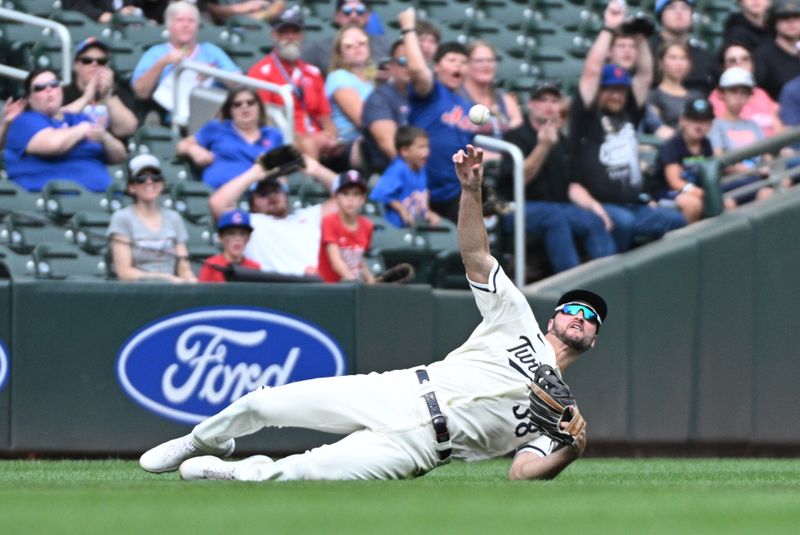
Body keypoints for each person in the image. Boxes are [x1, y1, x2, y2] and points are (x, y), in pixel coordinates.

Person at [138, 143, 600, 482]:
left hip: (417, 449)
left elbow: (521, 474)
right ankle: (201, 439)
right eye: (572, 308)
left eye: (590, 317)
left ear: (593, 338)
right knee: (263, 402)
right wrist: (471, 191)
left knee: (293, 475)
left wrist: (570, 452)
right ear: (553, 318)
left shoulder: (565, 415)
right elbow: (476, 257)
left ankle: (234, 473)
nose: (580, 316)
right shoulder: (515, 319)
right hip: (399, 391)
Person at [570, 2, 686, 252]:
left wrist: (640, 37)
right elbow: (591, 71)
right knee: (623, 223)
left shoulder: (629, 113)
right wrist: (609, 28)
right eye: (609, 89)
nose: (615, 95)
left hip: (634, 205)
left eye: (620, 90)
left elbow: (645, 74)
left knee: (677, 220)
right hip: (599, 204)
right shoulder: (586, 116)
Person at [498, 81, 617, 274]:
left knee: (592, 220)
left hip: (556, 206)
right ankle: (573, 287)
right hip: (516, 207)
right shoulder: (516, 136)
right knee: (554, 217)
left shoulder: (562, 139)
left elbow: (571, 186)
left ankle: (609, 282)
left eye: (554, 100)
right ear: (530, 104)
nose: (548, 106)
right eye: (542, 100)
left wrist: (596, 208)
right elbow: (520, 180)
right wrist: (543, 146)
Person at [399, 7, 477, 223]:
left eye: (463, 62)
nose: (458, 66)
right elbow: (416, 70)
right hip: (422, 187)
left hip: (454, 191)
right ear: (437, 66)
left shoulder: (465, 104)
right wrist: (408, 27)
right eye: (452, 60)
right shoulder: (431, 91)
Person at [207, 153, 336, 277]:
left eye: (276, 190)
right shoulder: (249, 222)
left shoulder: (307, 217)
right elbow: (217, 204)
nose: (271, 196)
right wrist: (255, 173)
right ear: (252, 203)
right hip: (271, 290)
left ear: (286, 196)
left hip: (314, 288)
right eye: (263, 193)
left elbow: (343, 200)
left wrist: (316, 169)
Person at [3, 69, 127, 193]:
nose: (49, 89)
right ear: (29, 98)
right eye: (40, 87)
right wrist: (82, 129)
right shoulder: (24, 121)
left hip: (103, 199)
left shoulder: (80, 118)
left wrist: (105, 137)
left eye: (54, 84)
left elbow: (120, 157)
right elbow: (52, 145)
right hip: (50, 203)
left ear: (61, 90)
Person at [247, 6, 339, 161]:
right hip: (282, 139)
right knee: (308, 144)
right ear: (274, 35)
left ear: (302, 35)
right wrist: (310, 139)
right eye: (284, 32)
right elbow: (267, 121)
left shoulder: (313, 72)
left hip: (316, 137)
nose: (290, 37)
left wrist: (331, 137)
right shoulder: (261, 72)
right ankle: (312, 185)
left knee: (353, 147)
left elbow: (325, 117)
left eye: (295, 32)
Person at [131, 1, 240, 125]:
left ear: (197, 26)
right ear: (169, 25)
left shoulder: (211, 51)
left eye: (191, 21)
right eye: (180, 20)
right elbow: (141, 92)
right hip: (171, 121)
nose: (186, 25)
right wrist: (163, 63)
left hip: (212, 119)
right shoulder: (156, 53)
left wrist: (215, 73)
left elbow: (239, 84)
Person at [107, 153, 197, 283]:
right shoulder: (122, 218)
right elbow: (124, 272)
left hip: (173, 291)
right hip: (136, 292)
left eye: (155, 176)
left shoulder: (174, 218)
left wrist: (191, 281)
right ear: (131, 187)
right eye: (141, 178)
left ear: (162, 183)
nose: (149, 181)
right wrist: (164, 279)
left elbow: (184, 267)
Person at [176, 87, 284, 189]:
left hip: (258, 197)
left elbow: (282, 172)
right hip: (218, 192)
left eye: (250, 103)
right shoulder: (217, 127)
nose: (244, 107)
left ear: (259, 107)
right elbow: (182, 145)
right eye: (237, 104)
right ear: (230, 110)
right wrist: (194, 150)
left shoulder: (273, 135)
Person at [709, 67, 775, 208]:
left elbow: (766, 155)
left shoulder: (753, 126)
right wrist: (753, 170)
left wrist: (767, 167)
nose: (738, 98)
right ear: (722, 94)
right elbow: (720, 159)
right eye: (733, 92)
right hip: (730, 184)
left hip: (757, 181)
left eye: (744, 93)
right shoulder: (715, 126)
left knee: (769, 194)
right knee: (728, 205)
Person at [61, 38, 139, 141]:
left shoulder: (118, 93)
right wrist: (86, 98)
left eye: (101, 61)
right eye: (87, 61)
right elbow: (55, 121)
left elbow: (128, 129)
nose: (95, 64)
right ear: (76, 65)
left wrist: (108, 95)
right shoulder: (63, 93)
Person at [650, 97, 713, 223]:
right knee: (692, 203)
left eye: (704, 120)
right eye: (694, 119)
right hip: (666, 194)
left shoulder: (706, 144)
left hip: (696, 191)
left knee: (726, 200)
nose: (699, 125)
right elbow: (674, 182)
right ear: (683, 120)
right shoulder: (672, 145)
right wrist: (698, 192)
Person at [324, 24, 376, 171]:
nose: (357, 47)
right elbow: (363, 120)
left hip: (372, 138)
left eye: (362, 42)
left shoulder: (371, 82)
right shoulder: (338, 77)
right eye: (349, 45)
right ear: (340, 53)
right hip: (349, 146)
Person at [370, 126, 440, 228]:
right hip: (395, 231)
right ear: (405, 151)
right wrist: (402, 209)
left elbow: (420, 197)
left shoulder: (421, 169)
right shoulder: (398, 169)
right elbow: (379, 193)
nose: (427, 152)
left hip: (414, 229)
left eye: (427, 147)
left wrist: (428, 213)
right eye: (421, 147)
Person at [710, 42, 784, 138]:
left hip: (772, 147)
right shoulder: (718, 96)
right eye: (732, 61)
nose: (739, 64)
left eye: (745, 59)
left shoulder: (761, 93)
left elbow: (778, 124)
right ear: (723, 67)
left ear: (753, 64)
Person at [361, 39, 410, 175]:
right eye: (403, 61)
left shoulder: (430, 96)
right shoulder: (380, 98)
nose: (410, 65)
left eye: (415, 60)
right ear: (391, 66)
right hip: (391, 177)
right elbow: (391, 148)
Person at [649, 0, 719, 95]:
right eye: (671, 7)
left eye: (685, 8)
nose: (679, 12)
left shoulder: (704, 57)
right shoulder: (647, 51)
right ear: (660, 14)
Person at [301, 0, 390, 75]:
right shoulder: (319, 47)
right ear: (336, 16)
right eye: (347, 11)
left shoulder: (383, 44)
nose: (353, 16)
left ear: (368, 16)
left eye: (360, 10)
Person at [318, 170, 375, 284]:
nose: (350, 199)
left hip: (351, 288)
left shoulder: (367, 225)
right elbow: (336, 262)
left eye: (356, 194)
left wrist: (371, 280)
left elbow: (357, 259)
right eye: (345, 193)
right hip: (328, 287)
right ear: (336, 197)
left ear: (362, 199)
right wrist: (357, 285)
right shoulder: (329, 222)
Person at [459, 40, 523, 138]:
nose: (486, 65)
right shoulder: (456, 95)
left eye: (490, 60)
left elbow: (518, 124)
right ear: (467, 64)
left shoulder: (504, 98)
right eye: (479, 61)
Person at [647, 41, 702, 130]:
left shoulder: (696, 96)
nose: (678, 63)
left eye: (683, 58)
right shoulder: (653, 96)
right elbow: (654, 126)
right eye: (673, 58)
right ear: (661, 62)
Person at [753, 0, 800, 101]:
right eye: (784, 17)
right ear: (774, 22)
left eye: (796, 17)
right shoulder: (762, 56)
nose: (791, 21)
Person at [198, 209, 261, 283]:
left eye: (242, 233)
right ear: (220, 237)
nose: (237, 239)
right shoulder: (211, 265)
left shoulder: (254, 267)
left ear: (248, 238)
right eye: (231, 233)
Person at [205, 0, 285, 25]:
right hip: (233, 26)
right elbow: (211, 8)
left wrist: (263, 15)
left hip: (266, 26)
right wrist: (242, 8)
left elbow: (279, 5)